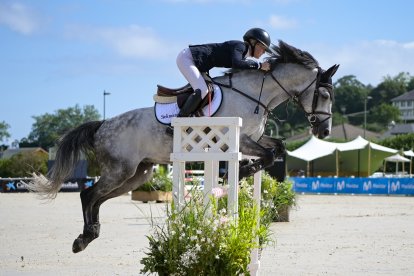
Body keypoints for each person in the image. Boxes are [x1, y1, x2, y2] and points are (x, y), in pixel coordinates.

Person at [166, 27, 272, 135]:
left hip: (199, 64)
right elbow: (237, 64)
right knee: (203, 90)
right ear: (254, 43)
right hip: (188, 58)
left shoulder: (243, 53)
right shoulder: (240, 46)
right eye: (263, 48)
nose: (264, 52)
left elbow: (241, 66)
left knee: (210, 89)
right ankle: (175, 125)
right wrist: (259, 66)